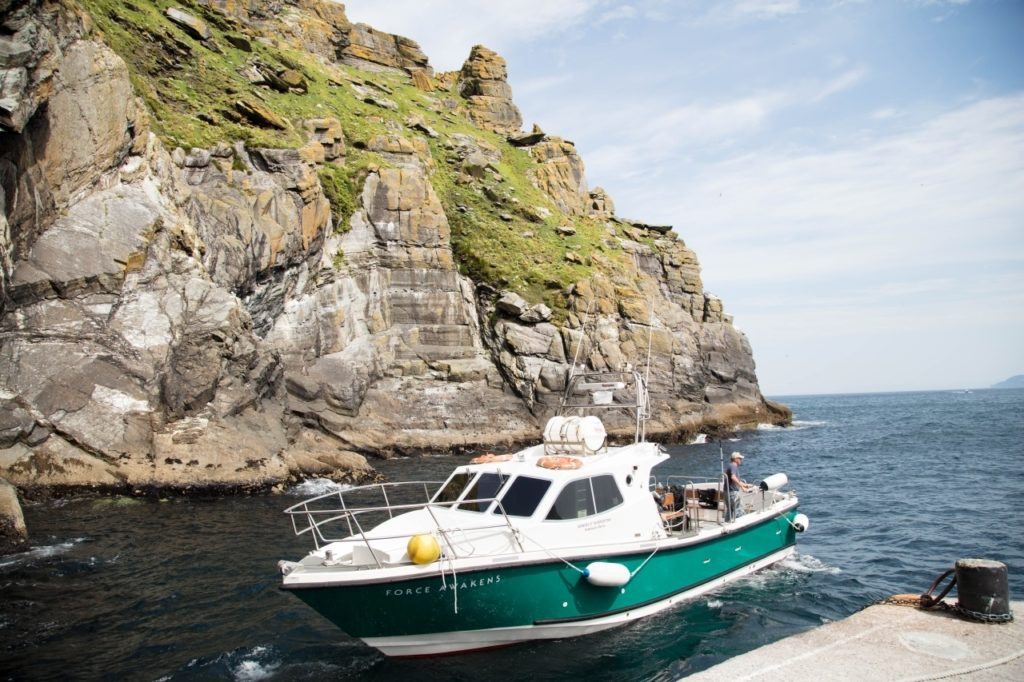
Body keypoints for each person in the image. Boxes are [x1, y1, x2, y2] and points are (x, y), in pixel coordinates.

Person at [724, 452, 753, 521]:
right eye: (740, 459)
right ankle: (742, 525)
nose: (741, 460)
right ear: (735, 459)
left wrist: (746, 485)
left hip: (727, 492)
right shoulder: (734, 466)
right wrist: (742, 487)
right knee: (739, 510)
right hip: (732, 493)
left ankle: (727, 523)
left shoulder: (730, 466)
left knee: (730, 510)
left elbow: (735, 481)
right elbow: (733, 477)